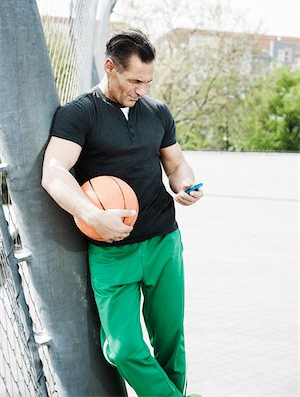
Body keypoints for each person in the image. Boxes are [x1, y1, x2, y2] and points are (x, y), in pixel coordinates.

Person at [42, 28, 203, 397]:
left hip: (164, 241)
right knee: (123, 348)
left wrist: (185, 185)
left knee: (170, 343)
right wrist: (91, 215)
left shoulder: (157, 112)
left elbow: (176, 164)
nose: (141, 90)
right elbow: (54, 172)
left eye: (148, 81)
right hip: (112, 249)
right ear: (110, 67)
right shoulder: (78, 114)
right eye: (134, 80)